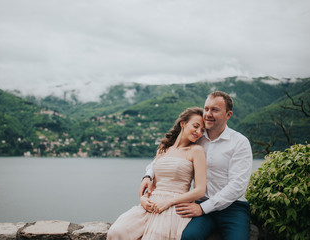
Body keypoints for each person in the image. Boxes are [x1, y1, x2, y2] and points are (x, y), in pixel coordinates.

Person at [139, 91, 253, 240]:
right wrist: (148, 175)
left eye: (215, 110)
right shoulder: (196, 137)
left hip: (232, 207)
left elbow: (237, 186)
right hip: (199, 203)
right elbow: (166, 157)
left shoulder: (239, 142)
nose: (208, 114)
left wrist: (203, 208)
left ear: (228, 114)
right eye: (206, 109)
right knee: (187, 237)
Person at [107, 107, 207, 240]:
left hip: (174, 205)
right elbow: (153, 185)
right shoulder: (163, 149)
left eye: (202, 130)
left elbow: (200, 190)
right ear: (183, 123)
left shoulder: (196, 151)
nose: (198, 132)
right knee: (117, 232)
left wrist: (169, 202)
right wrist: (143, 198)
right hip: (152, 204)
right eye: (196, 126)